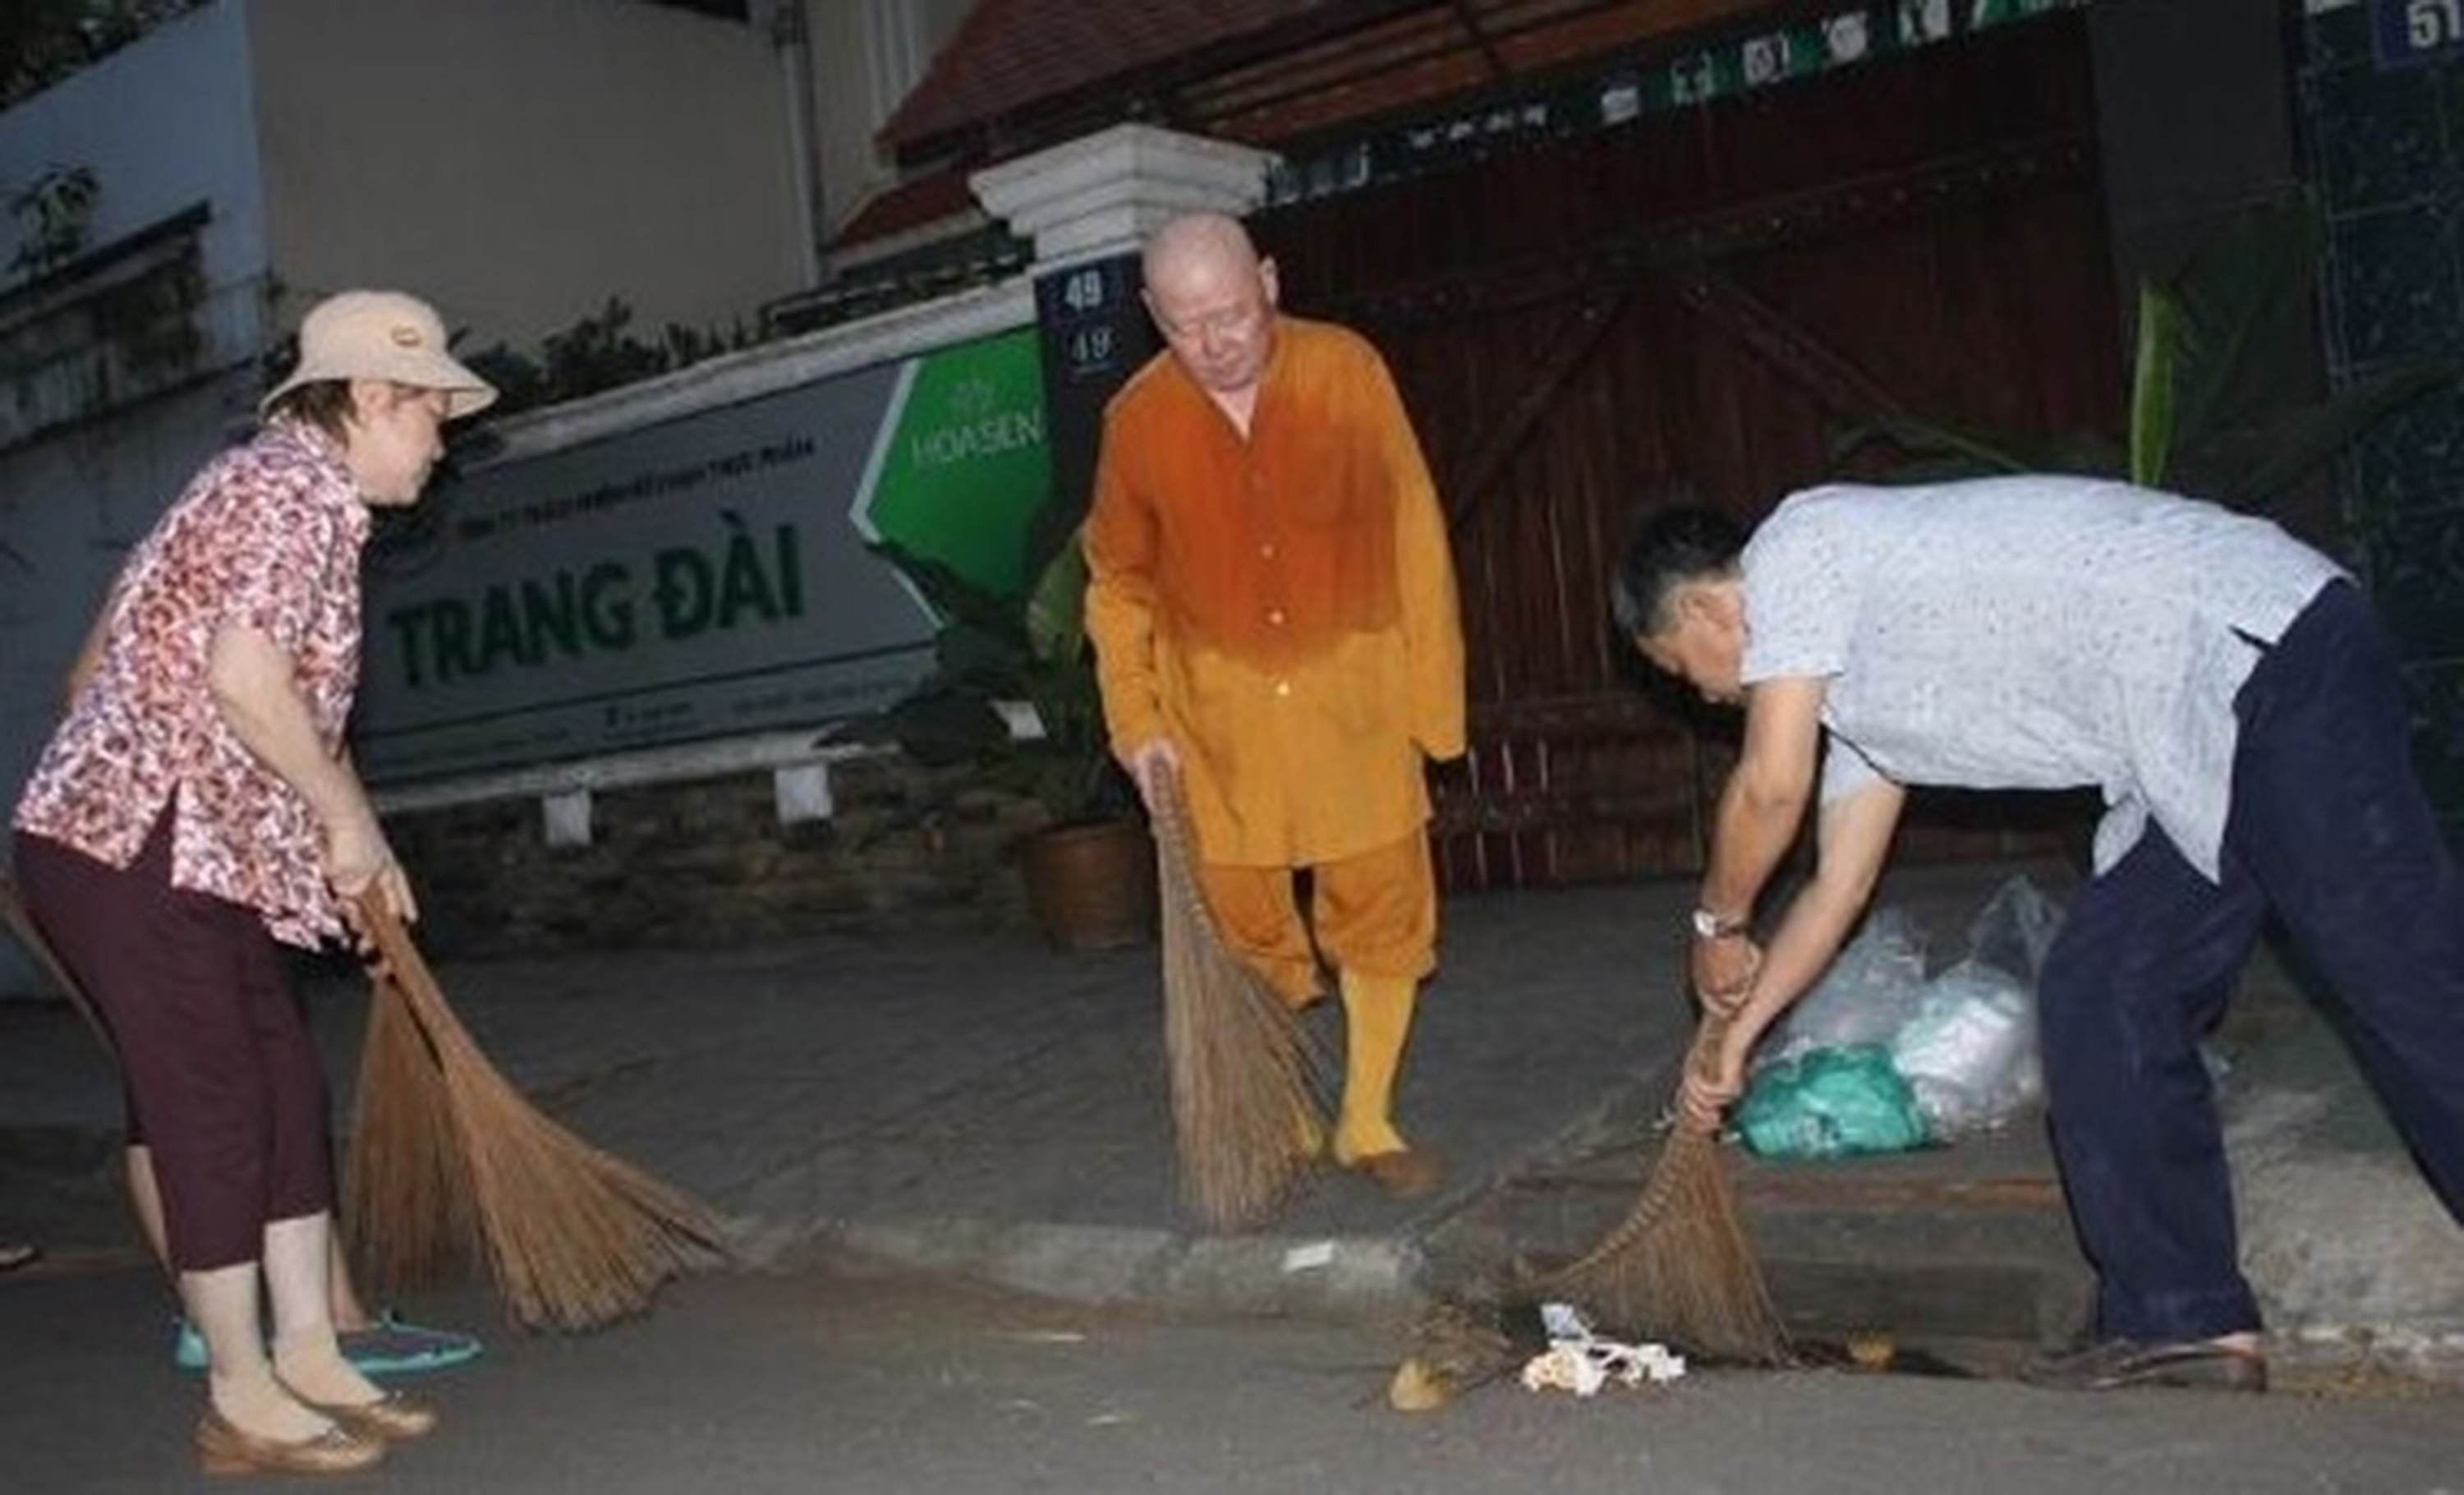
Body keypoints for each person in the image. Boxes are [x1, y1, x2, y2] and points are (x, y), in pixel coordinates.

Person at [1613, 476, 2464, 1393]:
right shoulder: (1853, 705)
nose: (1703, 696)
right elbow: (1836, 888)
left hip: (2267, 656)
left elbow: (1769, 788)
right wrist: (1735, 1042)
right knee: (2105, 988)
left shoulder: (1797, 549)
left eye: (1682, 670)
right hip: (2187, 742)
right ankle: (2185, 1320)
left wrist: (1718, 921)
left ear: (1704, 609)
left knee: (2403, 972)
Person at [11, 289, 495, 1473]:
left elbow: (154, 684)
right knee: (216, 1102)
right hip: (137, 840)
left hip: (191, 845)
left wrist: (354, 851)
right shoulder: (288, 493)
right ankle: (239, 1389)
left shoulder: (276, 490)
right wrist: (344, 822)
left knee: (281, 1086)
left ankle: (311, 1352)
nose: (443, 440)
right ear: (369, 397)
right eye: (432, 413)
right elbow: (242, 679)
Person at [1083, 211, 1466, 1197]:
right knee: (1246, 929)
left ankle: (1368, 1119)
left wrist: (1434, 705)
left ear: (1269, 281)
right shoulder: (1137, 421)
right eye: (1185, 325)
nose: (1214, 342)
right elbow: (1118, 585)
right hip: (1220, 731)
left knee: (1382, 909)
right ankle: (1290, 1115)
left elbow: (1415, 529)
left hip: (1356, 705)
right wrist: (1137, 723)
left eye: (1231, 314)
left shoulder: (1348, 371)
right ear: (1151, 314)